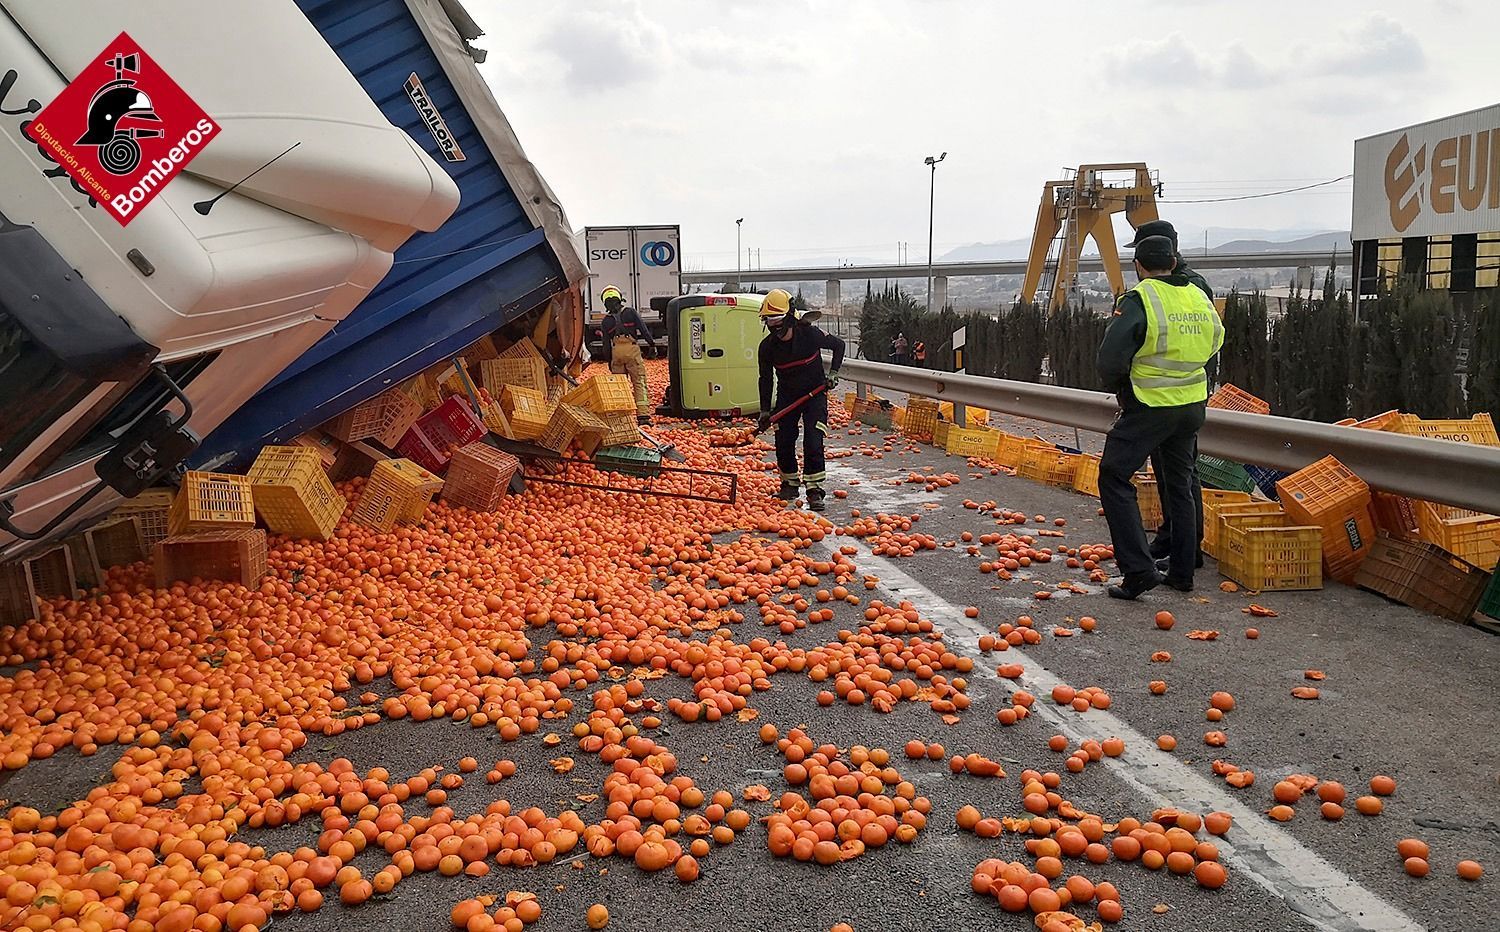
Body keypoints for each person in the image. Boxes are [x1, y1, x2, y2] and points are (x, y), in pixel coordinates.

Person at [1096, 236, 1224, 599]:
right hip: (1191, 404)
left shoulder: (1141, 298)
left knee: (1114, 475)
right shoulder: (1197, 294)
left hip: (1150, 405)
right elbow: (1216, 340)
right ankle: (1183, 571)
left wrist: (1127, 388)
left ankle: (1138, 570)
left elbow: (1110, 359)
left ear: (1138, 265)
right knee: (1180, 485)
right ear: (1174, 260)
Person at [1125, 220, 1216, 571]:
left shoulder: (1183, 287)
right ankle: (1177, 543)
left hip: (1173, 395)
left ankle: (1184, 548)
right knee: (1174, 475)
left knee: (1179, 477)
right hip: (1182, 392)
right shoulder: (1193, 283)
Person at [755, 288, 844, 511]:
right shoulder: (767, 348)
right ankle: (789, 484)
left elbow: (838, 345)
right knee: (784, 439)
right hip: (788, 395)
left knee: (813, 440)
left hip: (815, 393)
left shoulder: (809, 335)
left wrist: (833, 373)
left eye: (776, 319)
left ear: (788, 317)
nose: (773, 325)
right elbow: (765, 379)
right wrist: (765, 411)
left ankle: (814, 490)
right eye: (768, 320)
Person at [600, 285, 656, 421]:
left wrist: (610, 361)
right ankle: (643, 415)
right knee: (639, 382)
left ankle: (622, 418)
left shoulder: (606, 321)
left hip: (616, 353)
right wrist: (651, 345)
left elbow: (606, 345)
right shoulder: (630, 312)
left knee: (619, 386)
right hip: (632, 350)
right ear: (619, 299)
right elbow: (643, 329)